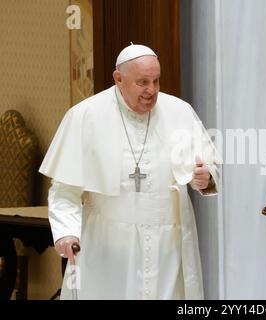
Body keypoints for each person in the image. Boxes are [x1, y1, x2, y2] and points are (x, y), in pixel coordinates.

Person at [40, 44, 221, 300]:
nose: (152, 91)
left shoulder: (180, 112)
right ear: (118, 79)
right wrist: (66, 232)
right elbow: (64, 191)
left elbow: (208, 167)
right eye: (143, 82)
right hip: (108, 249)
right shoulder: (85, 116)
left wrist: (206, 178)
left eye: (156, 81)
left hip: (167, 249)